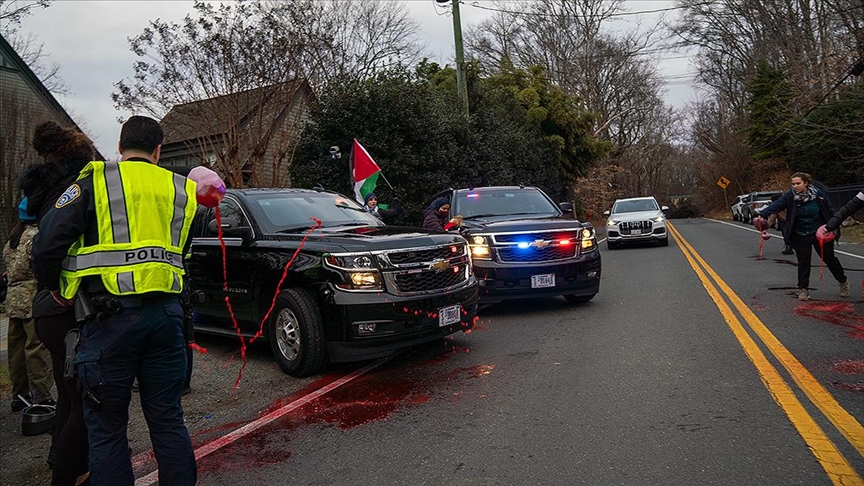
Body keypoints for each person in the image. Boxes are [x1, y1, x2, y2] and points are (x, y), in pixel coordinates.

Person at [32, 116, 198, 486]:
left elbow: (46, 244)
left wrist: (56, 288)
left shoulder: (95, 180)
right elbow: (182, 251)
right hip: (167, 318)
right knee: (169, 420)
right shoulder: (180, 188)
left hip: (109, 321)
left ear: (120, 147)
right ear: (158, 150)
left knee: (107, 429)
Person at [23, 120, 97, 485]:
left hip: (47, 308)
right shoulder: (76, 188)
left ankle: (61, 457)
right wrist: (58, 288)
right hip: (66, 306)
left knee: (68, 393)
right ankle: (71, 472)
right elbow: (47, 248)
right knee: (85, 400)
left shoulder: (43, 190)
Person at [758, 172, 849, 301]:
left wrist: (833, 226)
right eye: (793, 184)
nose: (795, 186)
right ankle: (803, 289)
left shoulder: (818, 195)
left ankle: (843, 281)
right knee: (803, 262)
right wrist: (762, 214)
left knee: (829, 259)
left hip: (819, 232)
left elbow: (830, 210)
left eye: (798, 183)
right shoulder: (789, 196)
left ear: (806, 183)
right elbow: (776, 206)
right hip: (800, 234)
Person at [3, 197, 54, 412]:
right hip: (32, 298)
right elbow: (40, 266)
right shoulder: (37, 236)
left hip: (13, 300)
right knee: (36, 348)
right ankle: (42, 395)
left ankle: (19, 394)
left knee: (16, 351)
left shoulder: (13, 238)